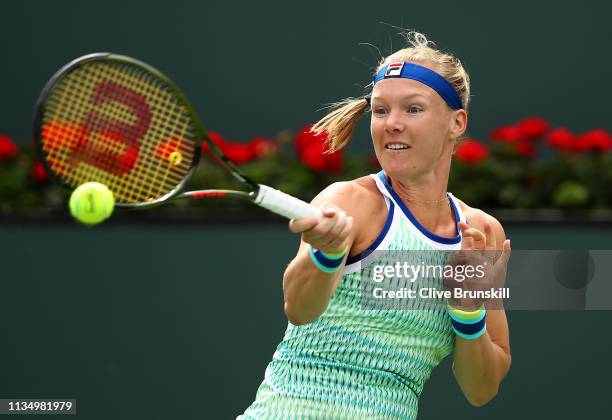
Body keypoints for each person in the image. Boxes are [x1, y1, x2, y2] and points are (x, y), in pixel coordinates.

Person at [238, 31, 512, 419]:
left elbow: (481, 388)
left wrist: (467, 310)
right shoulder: (350, 202)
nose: (391, 124)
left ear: (456, 122)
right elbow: (298, 309)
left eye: (413, 109)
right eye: (381, 111)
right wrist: (327, 255)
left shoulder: (483, 233)